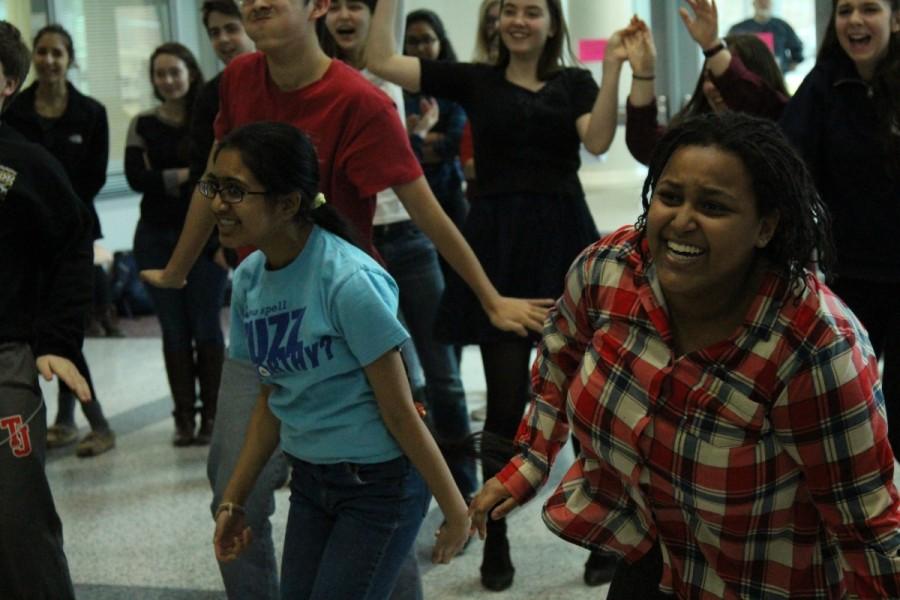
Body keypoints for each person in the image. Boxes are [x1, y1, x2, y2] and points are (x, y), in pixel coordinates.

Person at [140, 1, 547, 598]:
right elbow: (212, 178)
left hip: (339, 317)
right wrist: (178, 269)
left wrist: (488, 297)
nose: (254, 4)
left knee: (378, 484)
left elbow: (423, 206)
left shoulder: (360, 101)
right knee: (237, 480)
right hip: (269, 307)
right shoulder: (239, 80)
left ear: (318, 6)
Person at [469, 111, 900, 598]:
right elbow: (559, 352)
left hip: (762, 583)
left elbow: (866, 524)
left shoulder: (812, 348)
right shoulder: (609, 271)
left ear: (765, 227)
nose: (681, 221)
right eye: (669, 197)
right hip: (649, 558)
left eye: (713, 207)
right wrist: (530, 459)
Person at [367, 0, 625, 590]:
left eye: (532, 11)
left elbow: (601, 137)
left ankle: (599, 533)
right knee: (507, 406)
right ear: (494, 22)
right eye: (508, 10)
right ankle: (495, 536)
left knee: (592, 405)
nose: (519, 20)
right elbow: (378, 58)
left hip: (565, 240)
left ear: (551, 23)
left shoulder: (575, 81)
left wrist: (612, 70)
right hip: (498, 248)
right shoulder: (474, 79)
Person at [210, 120, 470, 600]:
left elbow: (399, 411)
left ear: (287, 203)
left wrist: (455, 509)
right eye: (214, 186)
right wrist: (234, 498)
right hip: (312, 483)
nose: (218, 203)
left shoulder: (348, 282)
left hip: (379, 487)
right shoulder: (249, 280)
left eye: (234, 190)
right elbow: (271, 397)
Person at [780, 0, 900, 456]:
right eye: (845, 9)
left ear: (896, 19)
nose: (854, 20)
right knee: (846, 407)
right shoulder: (825, 83)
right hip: (848, 274)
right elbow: (787, 157)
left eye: (869, 9)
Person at [0, 19, 94, 599]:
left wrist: (57, 342)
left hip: (6, 359)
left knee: (15, 522)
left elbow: (72, 247)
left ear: (8, 85)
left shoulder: (27, 164)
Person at [4, 24, 116, 458]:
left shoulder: (90, 112)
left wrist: (48, 191)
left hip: (69, 228)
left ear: (70, 59)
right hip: (20, 240)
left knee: (61, 333)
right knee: (47, 334)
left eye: (58, 53)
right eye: (43, 52)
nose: (49, 60)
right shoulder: (18, 113)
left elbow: (93, 177)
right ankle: (67, 420)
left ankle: (95, 422)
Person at [125, 42, 228, 447]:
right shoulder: (142, 123)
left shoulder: (206, 118)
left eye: (175, 72)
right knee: (173, 330)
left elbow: (216, 171)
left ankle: (213, 415)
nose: (167, 80)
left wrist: (167, 175)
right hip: (154, 237)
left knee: (205, 325)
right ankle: (183, 418)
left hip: (206, 238)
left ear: (190, 72)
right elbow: (137, 178)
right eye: (160, 73)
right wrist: (189, 174)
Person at [622, 1, 789, 166]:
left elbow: (751, 100)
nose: (711, 87)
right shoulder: (697, 134)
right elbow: (645, 144)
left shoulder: (788, 126)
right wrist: (643, 73)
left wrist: (712, 46)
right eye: (708, 77)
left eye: (723, 79)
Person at [728, 0, 804, 72]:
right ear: (754, 3)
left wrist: (789, 66)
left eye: (767, 0)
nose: (764, 3)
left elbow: (797, 49)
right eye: (760, 0)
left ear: (771, 3)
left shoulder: (782, 26)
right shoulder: (739, 29)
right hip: (748, 77)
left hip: (777, 76)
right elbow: (729, 52)